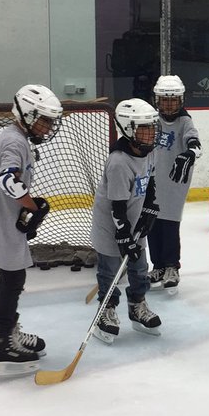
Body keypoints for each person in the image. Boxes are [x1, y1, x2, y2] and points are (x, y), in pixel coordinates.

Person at [0, 84, 61, 378]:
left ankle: (6, 331)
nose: (47, 128)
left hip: (6, 222)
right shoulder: (14, 142)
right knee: (13, 278)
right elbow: (8, 180)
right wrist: (32, 206)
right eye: (44, 120)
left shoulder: (16, 137)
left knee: (12, 278)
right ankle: (1, 343)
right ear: (26, 113)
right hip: (3, 223)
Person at [88, 98, 163, 343]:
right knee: (109, 271)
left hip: (132, 220)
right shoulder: (119, 162)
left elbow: (150, 182)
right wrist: (123, 235)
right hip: (111, 224)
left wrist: (150, 208)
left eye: (152, 127)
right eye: (144, 128)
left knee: (140, 268)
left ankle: (137, 305)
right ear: (128, 129)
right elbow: (116, 206)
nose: (150, 133)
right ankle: (106, 310)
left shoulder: (148, 151)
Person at [148, 75, 203, 294]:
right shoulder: (152, 120)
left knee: (170, 225)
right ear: (157, 100)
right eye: (164, 99)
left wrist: (189, 152)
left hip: (173, 184)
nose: (169, 104)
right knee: (151, 225)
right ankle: (158, 266)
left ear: (180, 100)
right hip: (152, 182)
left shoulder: (184, 121)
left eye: (173, 100)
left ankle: (172, 266)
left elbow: (195, 143)